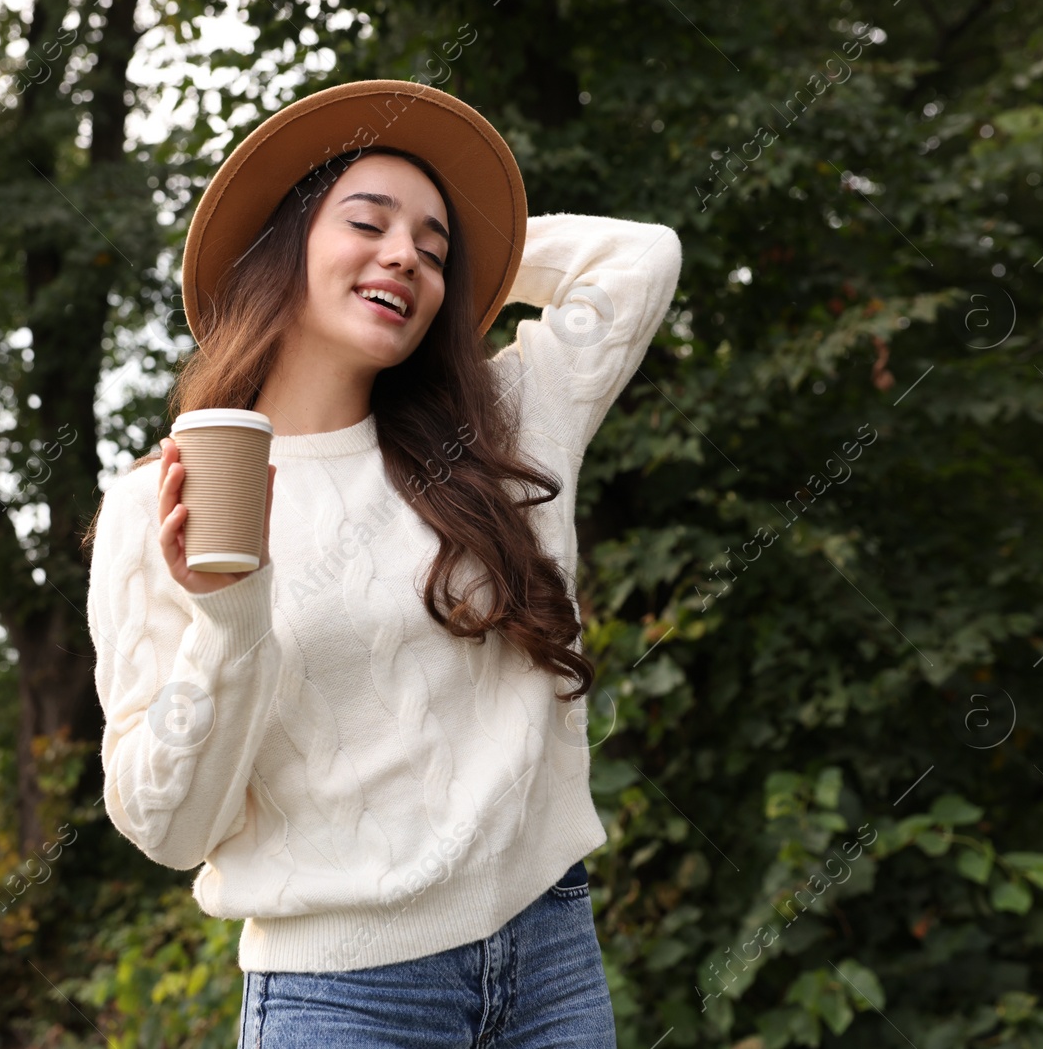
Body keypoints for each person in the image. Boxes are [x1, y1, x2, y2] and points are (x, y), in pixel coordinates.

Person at [82, 79, 682, 1047]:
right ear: (282, 246)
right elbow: (168, 826)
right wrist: (228, 621)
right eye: (365, 221)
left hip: (550, 956)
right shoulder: (158, 500)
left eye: (434, 248)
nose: (406, 253)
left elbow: (640, 256)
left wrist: (469, 254)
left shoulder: (504, 423)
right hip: (341, 1000)